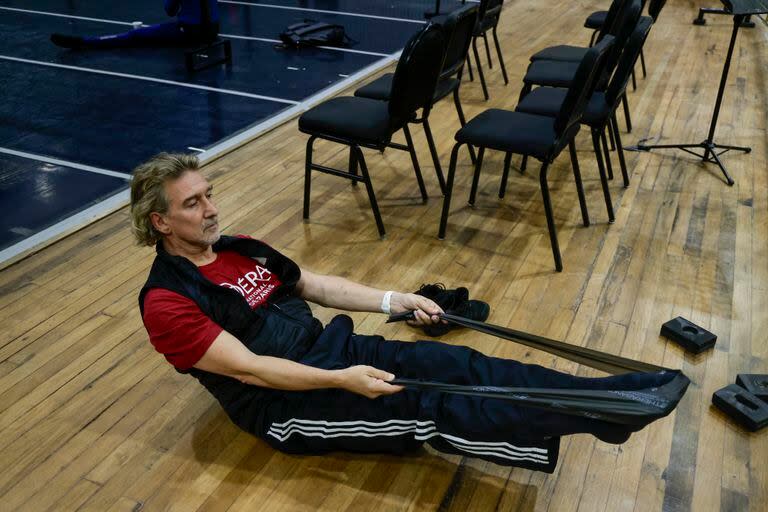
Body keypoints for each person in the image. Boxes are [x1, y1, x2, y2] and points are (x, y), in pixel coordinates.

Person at [132, 153, 669, 473]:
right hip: (284, 404)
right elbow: (250, 368)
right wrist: (340, 379)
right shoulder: (167, 302)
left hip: (335, 351)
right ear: (159, 222)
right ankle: (601, 414)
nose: (211, 209)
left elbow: (315, 285)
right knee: (433, 404)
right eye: (193, 204)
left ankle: (608, 395)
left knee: (459, 365)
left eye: (209, 194)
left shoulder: (239, 246)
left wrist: (396, 300)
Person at [51, 1, 219, 50]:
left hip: (191, 32)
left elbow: (170, 10)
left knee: (136, 35)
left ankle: (86, 41)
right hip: (213, 29)